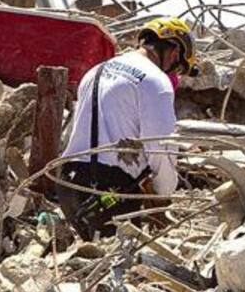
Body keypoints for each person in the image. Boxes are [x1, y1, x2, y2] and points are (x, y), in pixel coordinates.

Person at [57, 17, 197, 239]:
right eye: (178, 67)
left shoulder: (97, 70)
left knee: (89, 262)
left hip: (68, 182)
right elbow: (161, 149)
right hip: (108, 190)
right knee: (122, 268)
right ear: (173, 51)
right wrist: (164, 195)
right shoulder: (155, 82)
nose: (174, 74)